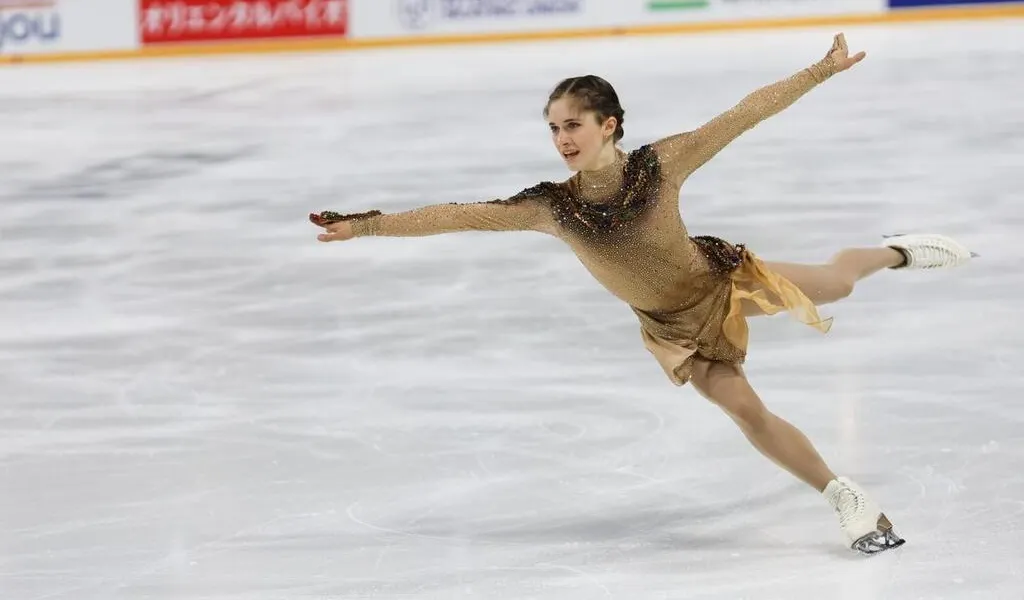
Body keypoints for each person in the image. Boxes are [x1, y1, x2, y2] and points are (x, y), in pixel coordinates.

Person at [309, 33, 975, 555]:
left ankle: (896, 250)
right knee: (745, 410)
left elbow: (743, 115)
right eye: (553, 128)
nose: (562, 139)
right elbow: (456, 213)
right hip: (673, 327)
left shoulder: (663, 166)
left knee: (835, 285)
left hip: (721, 278)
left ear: (609, 125)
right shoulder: (551, 207)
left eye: (573, 124)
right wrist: (365, 225)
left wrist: (819, 70)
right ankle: (844, 496)